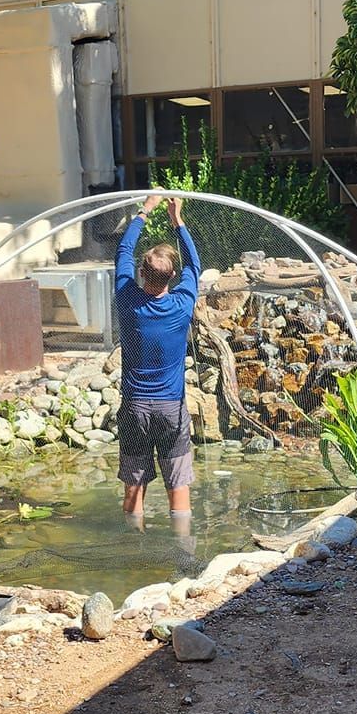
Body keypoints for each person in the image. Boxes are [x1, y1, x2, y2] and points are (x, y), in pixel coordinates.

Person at [115, 192, 201, 536]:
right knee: (178, 486)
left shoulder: (128, 300)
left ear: (140, 273)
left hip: (135, 408)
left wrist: (144, 212)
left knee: (134, 485)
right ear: (172, 278)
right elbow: (195, 265)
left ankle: (134, 548)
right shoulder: (182, 304)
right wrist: (177, 220)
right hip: (171, 411)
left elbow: (122, 251)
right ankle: (184, 553)